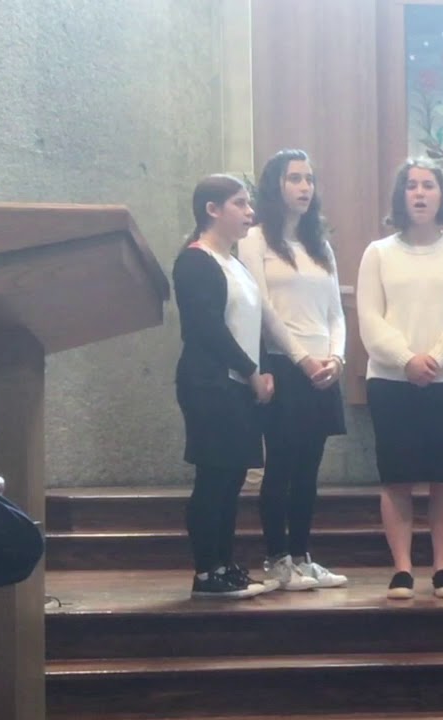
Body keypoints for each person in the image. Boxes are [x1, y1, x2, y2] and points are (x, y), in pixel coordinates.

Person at [357, 157, 443, 600]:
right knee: (396, 477)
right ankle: (402, 569)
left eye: (428, 185)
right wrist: (406, 359)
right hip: (392, 380)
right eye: (411, 185)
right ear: (401, 195)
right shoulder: (378, 253)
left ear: (441, 195)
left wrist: (437, 356)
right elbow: (370, 319)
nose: (419, 193)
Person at [238, 149, 348, 592]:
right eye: (295, 178)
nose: (305, 187)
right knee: (281, 466)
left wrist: (337, 358)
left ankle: (303, 556)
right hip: (285, 365)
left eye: (309, 179)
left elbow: (337, 313)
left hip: (324, 368)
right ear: (275, 186)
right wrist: (302, 358)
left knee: (309, 469)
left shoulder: (321, 245)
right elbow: (262, 309)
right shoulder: (255, 239)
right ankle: (277, 559)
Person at [173, 174, 276, 600]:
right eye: (239, 203)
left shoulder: (236, 264)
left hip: (238, 386)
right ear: (212, 210)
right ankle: (206, 570)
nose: (250, 211)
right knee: (213, 478)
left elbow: (252, 325)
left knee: (232, 478)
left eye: (249, 204)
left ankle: (225, 563)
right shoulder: (196, 261)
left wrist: (260, 370)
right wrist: (252, 371)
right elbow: (208, 330)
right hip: (210, 385)